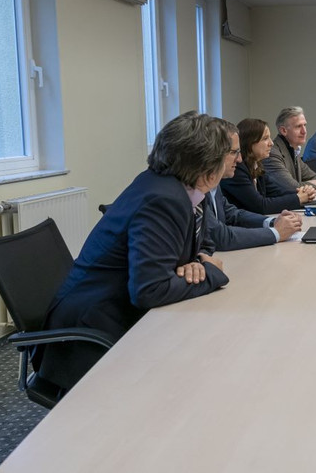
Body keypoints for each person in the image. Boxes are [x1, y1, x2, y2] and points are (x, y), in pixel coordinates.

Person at [34, 112, 232, 394]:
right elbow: (149, 289)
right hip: (89, 339)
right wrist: (212, 272)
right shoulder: (164, 199)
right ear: (207, 168)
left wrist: (196, 261)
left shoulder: (162, 185)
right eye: (225, 156)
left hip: (110, 314)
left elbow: (173, 256)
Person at [207, 122, 303, 251]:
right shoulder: (195, 188)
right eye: (234, 152)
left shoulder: (215, 183)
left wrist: (272, 222)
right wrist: (276, 233)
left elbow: (232, 213)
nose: (239, 159)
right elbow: (220, 236)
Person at [221, 118, 316, 215]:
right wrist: (298, 198)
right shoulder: (237, 169)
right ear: (250, 143)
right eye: (265, 138)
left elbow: (276, 191)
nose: (271, 143)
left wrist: (304, 192)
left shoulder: (257, 165)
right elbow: (261, 205)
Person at [263, 106, 316, 192]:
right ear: (283, 130)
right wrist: (313, 185)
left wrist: (309, 184)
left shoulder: (293, 150)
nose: (304, 131)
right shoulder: (272, 154)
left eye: (304, 125)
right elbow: (292, 188)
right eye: (298, 126)